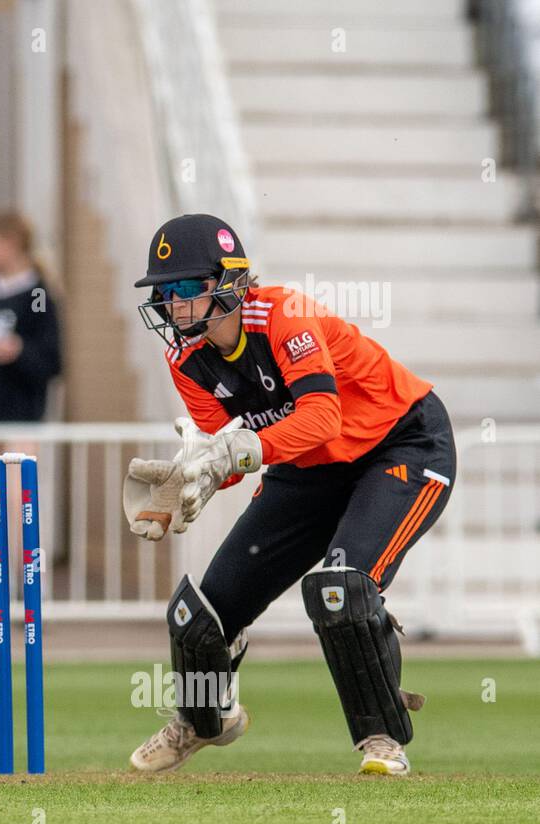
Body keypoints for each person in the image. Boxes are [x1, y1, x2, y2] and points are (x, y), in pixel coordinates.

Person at [124, 213, 454, 776]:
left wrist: (235, 453)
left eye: (184, 289)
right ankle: (205, 719)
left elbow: (322, 417)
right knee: (202, 613)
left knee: (342, 588)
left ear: (228, 282)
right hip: (308, 467)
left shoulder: (284, 314)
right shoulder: (184, 359)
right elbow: (223, 452)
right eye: (164, 292)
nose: (173, 305)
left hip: (399, 444)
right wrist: (194, 477)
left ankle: (381, 739)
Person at [0, 212, 62, 427]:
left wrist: (18, 350)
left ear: (11, 244)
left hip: (21, 409)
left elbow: (52, 360)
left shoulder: (38, 295)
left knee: (16, 461)